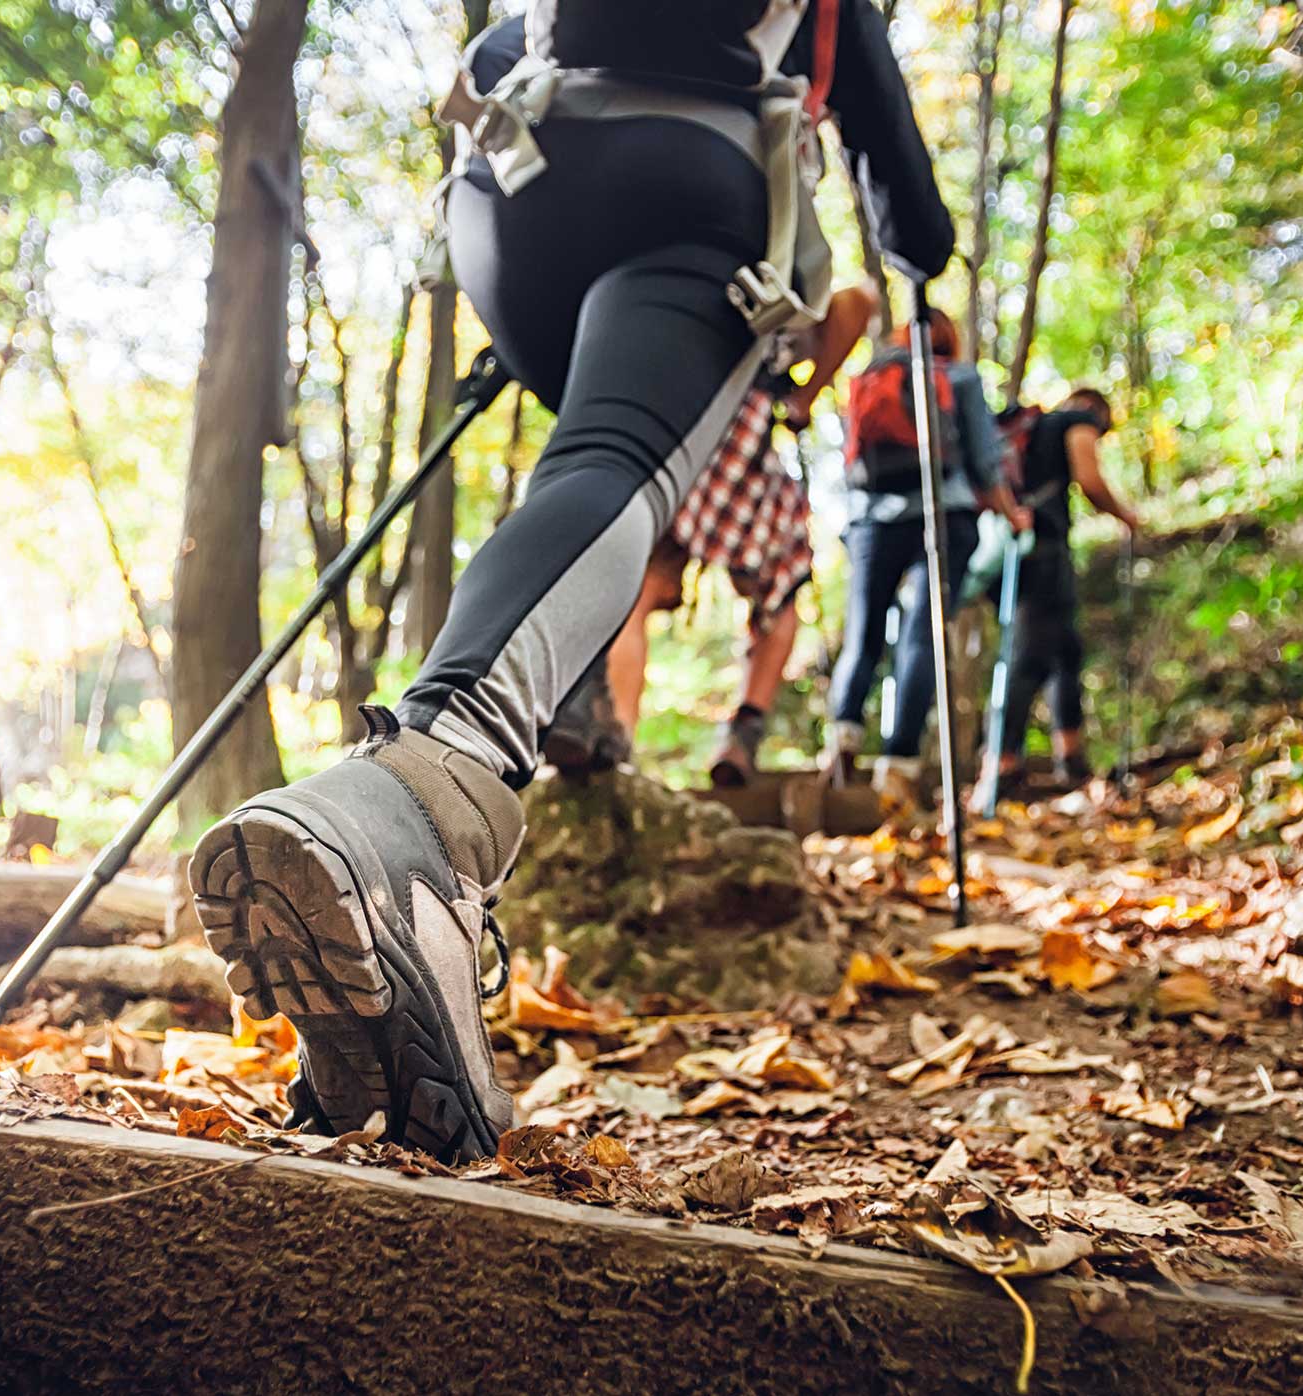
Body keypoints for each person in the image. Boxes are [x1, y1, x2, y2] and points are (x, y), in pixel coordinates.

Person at [188, 0, 955, 1162]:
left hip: (506, 184)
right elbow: (906, 209)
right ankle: (424, 810)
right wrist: (917, 255)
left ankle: (564, 720)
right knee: (615, 463)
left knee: (584, 456)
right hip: (683, 179)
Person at [546, 282, 879, 787]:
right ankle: (742, 733)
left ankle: (614, 736)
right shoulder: (773, 279)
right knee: (779, 591)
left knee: (634, 591)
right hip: (742, 441)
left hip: (668, 428)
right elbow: (862, 300)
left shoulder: (669, 286)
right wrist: (804, 397)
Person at [823, 311, 1029, 812]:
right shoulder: (959, 377)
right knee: (922, 634)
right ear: (950, 341)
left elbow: (850, 461)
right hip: (943, 513)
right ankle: (898, 765)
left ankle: (842, 742)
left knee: (864, 632)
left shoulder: (874, 373)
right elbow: (984, 457)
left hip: (873, 519)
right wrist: (1011, 513)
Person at [972, 385, 1138, 806]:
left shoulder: (1026, 431)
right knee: (1027, 656)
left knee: (1065, 650)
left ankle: (1071, 758)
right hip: (1040, 550)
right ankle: (1002, 766)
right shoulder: (1075, 421)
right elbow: (1089, 479)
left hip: (1014, 551)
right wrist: (1125, 516)